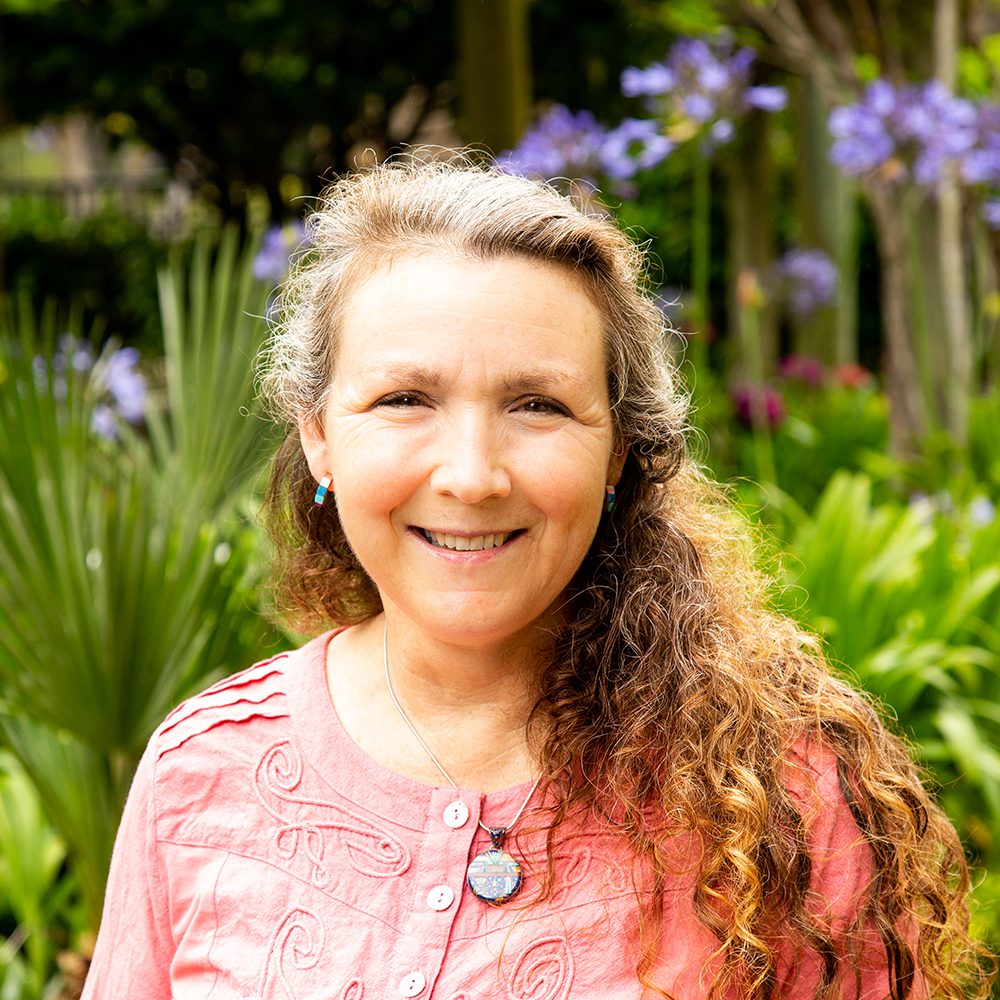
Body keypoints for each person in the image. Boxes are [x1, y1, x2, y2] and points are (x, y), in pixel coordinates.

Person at [82, 157, 990, 1000]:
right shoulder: (201, 773)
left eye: (539, 406)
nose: (472, 475)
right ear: (319, 433)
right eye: (405, 399)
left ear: (620, 453)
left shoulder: (782, 797)